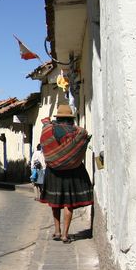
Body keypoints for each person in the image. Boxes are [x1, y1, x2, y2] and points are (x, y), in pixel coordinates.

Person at [39, 104, 93, 243]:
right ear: (71, 118)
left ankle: (57, 231)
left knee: (55, 203)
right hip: (72, 171)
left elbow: (45, 144)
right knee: (69, 204)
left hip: (54, 172)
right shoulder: (78, 132)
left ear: (58, 117)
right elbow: (84, 137)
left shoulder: (48, 130)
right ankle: (65, 234)